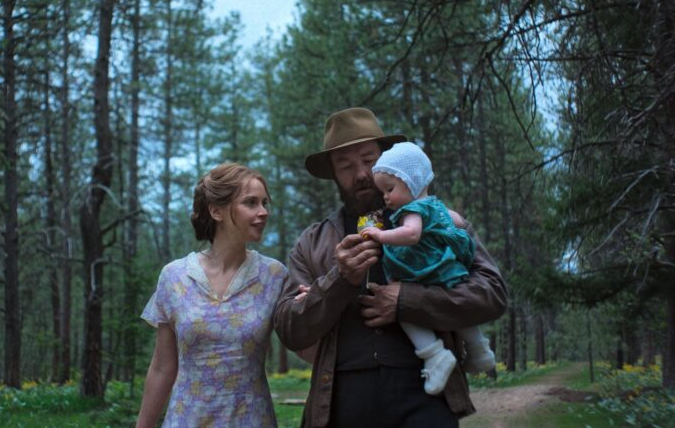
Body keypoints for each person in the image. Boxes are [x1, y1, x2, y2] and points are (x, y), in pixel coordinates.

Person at [274, 107, 507, 427]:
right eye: (345, 165)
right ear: (333, 173)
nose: (360, 174)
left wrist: (406, 301)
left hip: (427, 399)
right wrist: (339, 280)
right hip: (341, 406)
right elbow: (290, 328)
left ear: (387, 159)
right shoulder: (312, 243)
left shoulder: (437, 220)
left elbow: (492, 293)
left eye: (369, 160)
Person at [136, 163, 286, 428]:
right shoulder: (175, 277)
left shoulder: (274, 276)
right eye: (251, 203)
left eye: (264, 203)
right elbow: (162, 367)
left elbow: (308, 345)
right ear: (216, 210)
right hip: (186, 420)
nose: (263, 212)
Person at [358, 141, 496, 395]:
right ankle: (479, 350)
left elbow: (411, 235)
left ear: (412, 181)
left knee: (404, 309)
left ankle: (434, 355)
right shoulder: (438, 206)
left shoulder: (412, 211)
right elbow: (456, 223)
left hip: (421, 271)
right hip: (448, 269)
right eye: (383, 192)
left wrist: (380, 236)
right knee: (459, 311)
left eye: (390, 189)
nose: (386, 197)